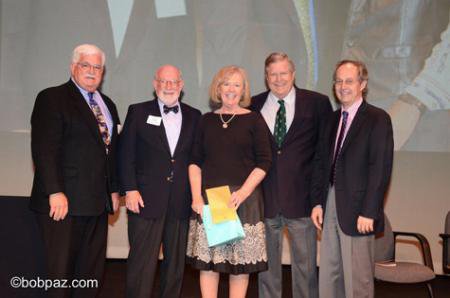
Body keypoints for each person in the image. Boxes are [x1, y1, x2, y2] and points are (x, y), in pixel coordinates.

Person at [30, 44, 120, 298]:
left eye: (97, 67)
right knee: (60, 276)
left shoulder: (108, 105)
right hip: (64, 204)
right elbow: (44, 149)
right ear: (73, 67)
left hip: (97, 204)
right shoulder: (52, 97)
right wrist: (55, 191)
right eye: (85, 65)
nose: (92, 72)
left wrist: (113, 189)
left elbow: (111, 152)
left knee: (90, 275)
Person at [186, 65, 272, 298]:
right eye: (226, 84)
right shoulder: (205, 121)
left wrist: (243, 193)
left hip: (241, 201)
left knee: (239, 268)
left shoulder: (254, 120)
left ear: (243, 89)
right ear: (218, 87)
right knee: (210, 265)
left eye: (237, 84)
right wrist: (195, 197)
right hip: (211, 200)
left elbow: (264, 162)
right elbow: (195, 161)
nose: (231, 89)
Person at [310, 60, 394, 298]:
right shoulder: (331, 119)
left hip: (359, 211)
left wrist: (370, 211)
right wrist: (317, 202)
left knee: (358, 280)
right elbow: (320, 163)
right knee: (329, 275)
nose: (343, 86)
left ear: (362, 84)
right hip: (329, 204)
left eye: (349, 81)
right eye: (338, 81)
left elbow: (380, 168)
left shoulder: (378, 119)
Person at [251, 52, 332, 298]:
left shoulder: (317, 103)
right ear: (266, 77)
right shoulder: (252, 105)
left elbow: (323, 155)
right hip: (264, 201)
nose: (278, 79)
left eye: (283, 73)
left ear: (293, 74)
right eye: (273, 74)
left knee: (306, 271)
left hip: (303, 202)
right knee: (265, 271)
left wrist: (319, 199)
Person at [119, 65, 201, 298]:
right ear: (155, 84)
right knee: (141, 265)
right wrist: (130, 189)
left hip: (180, 202)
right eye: (163, 82)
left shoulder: (195, 116)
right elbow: (126, 154)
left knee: (175, 268)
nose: (169, 86)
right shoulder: (137, 111)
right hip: (144, 201)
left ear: (181, 85)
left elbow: (198, 158)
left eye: (173, 82)